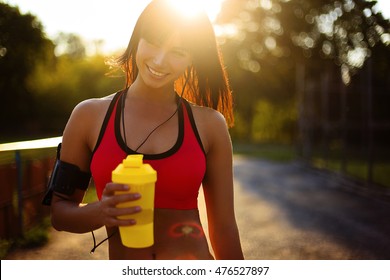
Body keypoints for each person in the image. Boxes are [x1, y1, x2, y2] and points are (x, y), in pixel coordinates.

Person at [49, 0, 243, 260]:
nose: (160, 60)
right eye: (153, 41)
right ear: (137, 38)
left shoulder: (210, 125)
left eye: (179, 51)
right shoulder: (89, 116)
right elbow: (60, 214)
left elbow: (224, 229)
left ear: (192, 58)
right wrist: (101, 211)